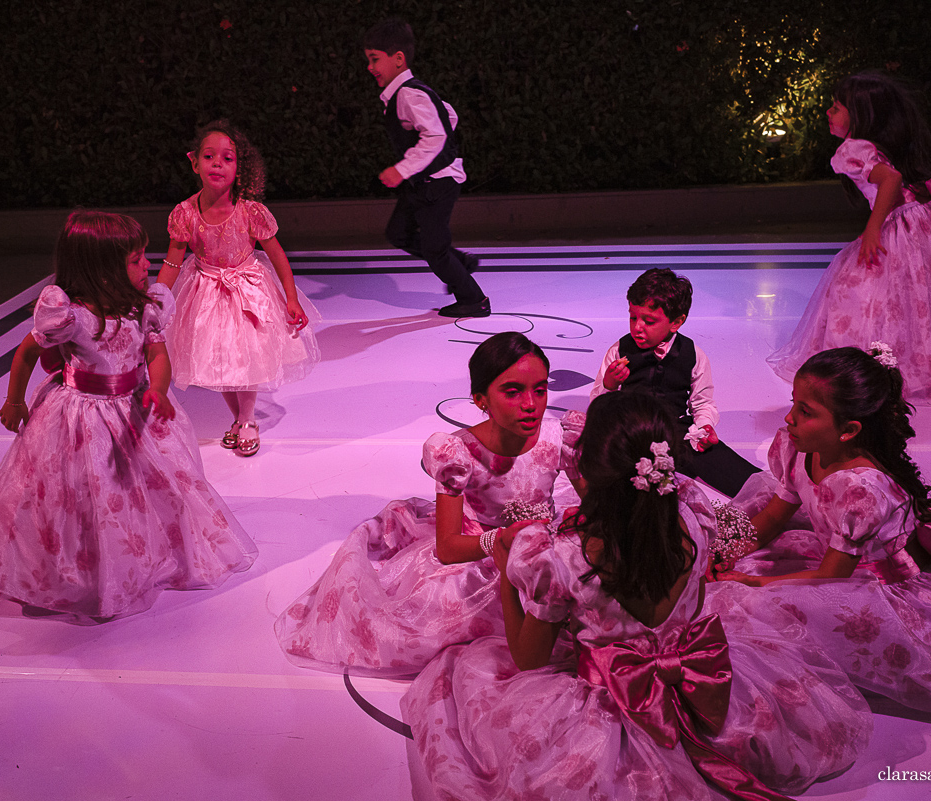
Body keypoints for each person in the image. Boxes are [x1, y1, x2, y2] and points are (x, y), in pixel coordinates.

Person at [401, 392, 871, 800]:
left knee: (457, 681)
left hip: (606, 699)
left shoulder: (563, 560)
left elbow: (528, 659)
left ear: (584, 468)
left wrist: (507, 573)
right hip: (702, 679)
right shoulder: (694, 521)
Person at [718, 346, 931, 721]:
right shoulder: (798, 448)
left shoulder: (860, 491)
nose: (789, 418)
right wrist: (730, 548)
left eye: (806, 412)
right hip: (834, 557)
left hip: (868, 582)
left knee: (756, 608)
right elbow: (775, 516)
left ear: (849, 430)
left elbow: (830, 579)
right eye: (794, 403)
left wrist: (750, 583)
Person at [0, 210, 258, 621]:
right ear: (101, 269)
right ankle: (85, 571)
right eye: (136, 259)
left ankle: (147, 554)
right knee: (85, 492)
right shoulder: (71, 317)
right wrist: (15, 400)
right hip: (80, 418)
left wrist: (157, 389)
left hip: (135, 409)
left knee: (153, 487)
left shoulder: (144, 307)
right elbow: (28, 351)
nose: (148, 265)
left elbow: (157, 353)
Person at [275, 332, 582, 676]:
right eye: (512, 392)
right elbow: (448, 548)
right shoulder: (458, 452)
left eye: (540, 390)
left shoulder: (560, 439)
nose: (530, 404)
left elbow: (596, 508)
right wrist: (499, 542)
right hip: (483, 558)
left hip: (547, 551)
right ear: (481, 400)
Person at [768, 71, 931, 404]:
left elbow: (890, 179)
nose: (828, 113)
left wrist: (873, 228)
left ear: (861, 115)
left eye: (835, 107)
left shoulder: (851, 149)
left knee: (868, 294)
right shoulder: (886, 143)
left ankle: (874, 373)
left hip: (902, 225)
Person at [158, 119, 320, 457]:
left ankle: (247, 419)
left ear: (239, 167)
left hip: (248, 289)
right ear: (194, 162)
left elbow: (277, 256)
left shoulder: (250, 211)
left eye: (227, 158)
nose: (217, 163)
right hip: (204, 291)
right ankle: (239, 418)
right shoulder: (186, 213)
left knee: (245, 356)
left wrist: (291, 298)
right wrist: (157, 300)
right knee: (218, 360)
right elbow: (173, 261)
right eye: (209, 156)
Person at [592, 268, 759, 497]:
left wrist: (704, 428)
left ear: (676, 322)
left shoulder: (693, 355)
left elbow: (703, 403)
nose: (637, 327)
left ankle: (776, 501)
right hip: (632, 434)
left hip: (675, 433)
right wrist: (610, 384)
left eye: (649, 321)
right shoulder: (619, 350)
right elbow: (597, 406)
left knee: (735, 473)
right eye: (633, 317)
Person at [363, 18, 488, 319]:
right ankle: (458, 261)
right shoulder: (409, 93)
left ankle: (475, 300)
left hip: (438, 183)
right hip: (424, 182)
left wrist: (402, 168)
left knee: (435, 250)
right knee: (398, 233)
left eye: (374, 59)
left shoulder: (408, 94)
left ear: (398, 59)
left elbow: (437, 133)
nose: (370, 67)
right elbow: (449, 117)